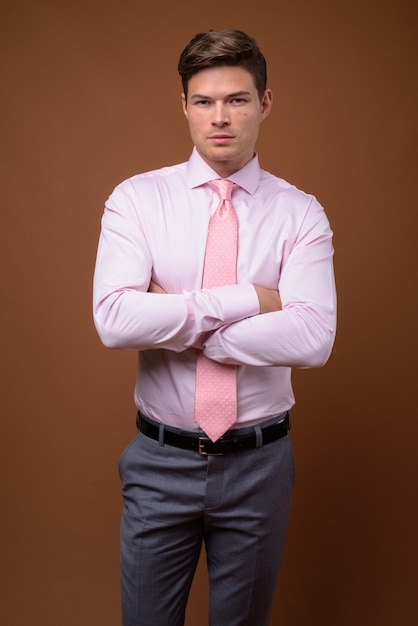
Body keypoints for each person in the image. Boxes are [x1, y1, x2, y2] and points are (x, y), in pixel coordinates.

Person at [93, 29, 336, 626]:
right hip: (159, 462)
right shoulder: (136, 201)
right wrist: (252, 299)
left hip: (260, 464)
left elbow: (313, 338)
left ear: (265, 103)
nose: (220, 117)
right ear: (184, 106)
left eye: (237, 99)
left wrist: (178, 318)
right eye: (204, 101)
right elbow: (114, 320)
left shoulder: (300, 213)